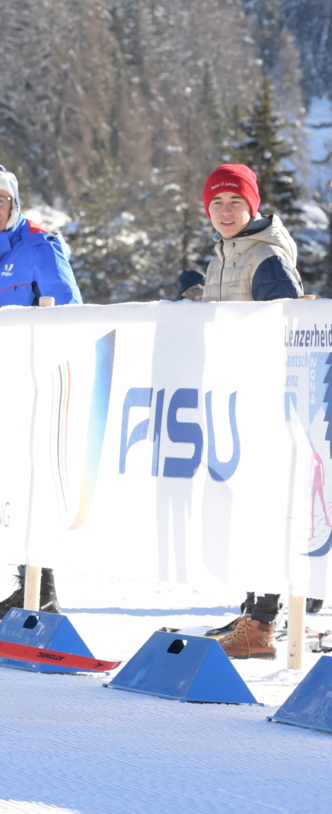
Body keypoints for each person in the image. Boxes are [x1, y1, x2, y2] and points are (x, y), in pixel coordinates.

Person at [0, 165, 83, 620]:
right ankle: (27, 582)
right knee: (12, 488)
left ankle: (42, 589)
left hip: (35, 383)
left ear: (15, 204)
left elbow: (67, 309)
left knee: (36, 486)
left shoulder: (39, 247)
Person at [196, 163, 302, 659]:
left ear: (253, 206)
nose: (224, 211)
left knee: (265, 509)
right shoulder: (226, 255)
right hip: (233, 398)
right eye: (216, 203)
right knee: (242, 509)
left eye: (235, 202)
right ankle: (252, 612)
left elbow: (283, 324)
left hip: (264, 400)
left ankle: (262, 624)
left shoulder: (266, 257)